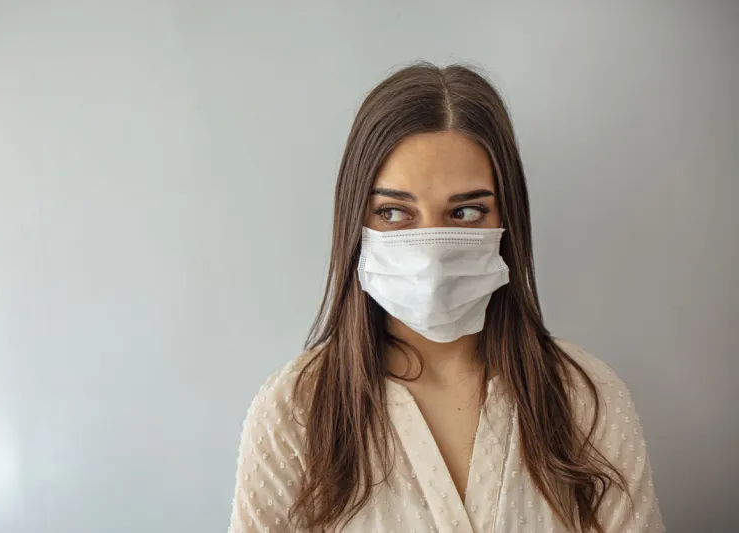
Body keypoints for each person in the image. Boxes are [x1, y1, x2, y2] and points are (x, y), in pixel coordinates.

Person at [228, 62, 664, 533]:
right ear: (355, 222)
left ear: (506, 221)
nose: (432, 251)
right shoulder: (295, 413)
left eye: (466, 211)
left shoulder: (586, 397)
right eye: (393, 212)